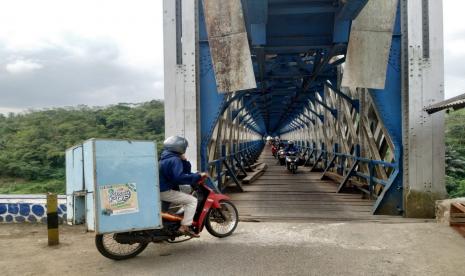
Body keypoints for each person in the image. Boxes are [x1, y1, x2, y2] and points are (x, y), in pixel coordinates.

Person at [159, 136, 207, 237]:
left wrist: (184, 160)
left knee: (165, 211)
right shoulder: (174, 160)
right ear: (180, 147)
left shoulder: (165, 158)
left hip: (161, 189)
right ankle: (185, 226)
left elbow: (185, 172)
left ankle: (162, 232)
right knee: (192, 201)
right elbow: (179, 178)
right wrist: (198, 176)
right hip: (165, 191)